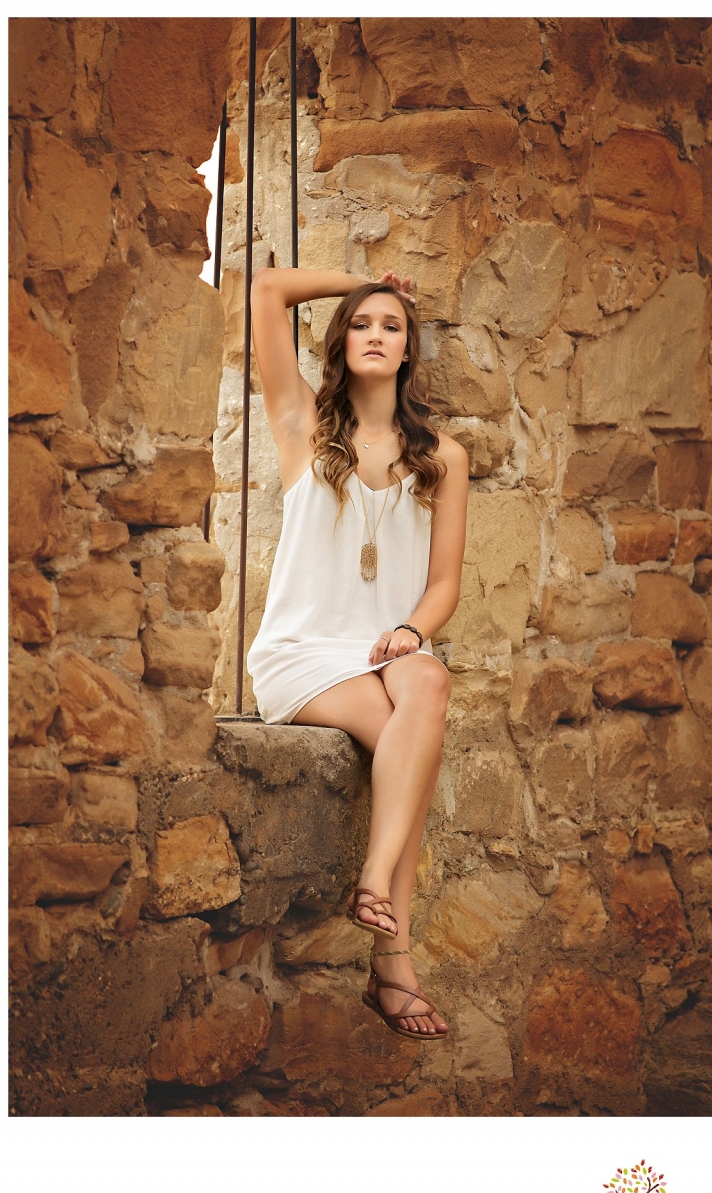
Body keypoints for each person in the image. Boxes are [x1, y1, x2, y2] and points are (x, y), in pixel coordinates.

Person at [247, 266, 468, 1039]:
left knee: (428, 682)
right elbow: (266, 289)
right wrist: (368, 279)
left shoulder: (444, 454)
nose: (377, 334)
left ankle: (373, 882)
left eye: (393, 326)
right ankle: (393, 959)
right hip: (303, 650)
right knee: (412, 740)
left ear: (409, 350)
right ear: (343, 342)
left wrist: (411, 631)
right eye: (364, 323)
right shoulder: (300, 425)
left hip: (384, 646)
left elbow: (444, 584)